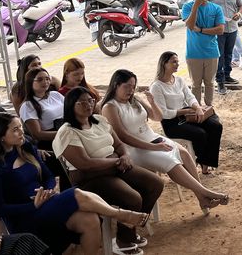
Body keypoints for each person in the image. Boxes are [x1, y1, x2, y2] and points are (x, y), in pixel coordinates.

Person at [0, 113, 149, 254]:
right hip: (25, 217)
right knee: (76, 193)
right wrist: (33, 205)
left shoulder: (25, 148)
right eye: (16, 130)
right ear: (0, 136)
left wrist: (49, 190)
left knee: (89, 220)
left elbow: (48, 176)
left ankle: (120, 217)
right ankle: (120, 214)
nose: (22, 133)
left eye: (21, 127)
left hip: (48, 203)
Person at [53, 87, 164, 255]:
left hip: (115, 167)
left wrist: (125, 156)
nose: (88, 105)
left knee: (155, 184)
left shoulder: (99, 120)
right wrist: (115, 160)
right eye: (82, 102)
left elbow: (119, 145)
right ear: (70, 105)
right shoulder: (67, 132)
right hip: (90, 178)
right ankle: (123, 240)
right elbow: (85, 164)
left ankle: (128, 229)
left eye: (90, 100)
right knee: (132, 198)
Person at [101, 70, 229, 213]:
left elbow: (158, 117)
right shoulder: (110, 107)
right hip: (133, 148)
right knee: (171, 162)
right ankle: (206, 193)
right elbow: (122, 136)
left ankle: (201, 198)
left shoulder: (135, 99)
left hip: (152, 138)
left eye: (133, 86)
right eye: (127, 86)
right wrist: (154, 147)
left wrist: (152, 103)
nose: (131, 90)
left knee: (184, 153)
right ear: (116, 85)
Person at [150, 51, 224, 175]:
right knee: (200, 133)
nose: (177, 64)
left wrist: (198, 108)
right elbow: (164, 114)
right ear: (164, 64)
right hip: (172, 123)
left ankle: (207, 162)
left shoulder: (178, 80)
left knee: (216, 126)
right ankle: (202, 163)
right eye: (174, 62)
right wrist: (186, 111)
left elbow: (190, 97)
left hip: (187, 116)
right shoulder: (157, 86)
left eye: (177, 62)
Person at [18, 68, 69, 188]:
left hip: (67, 130)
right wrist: (64, 133)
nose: (45, 82)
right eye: (40, 79)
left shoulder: (56, 95)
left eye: (47, 78)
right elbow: (37, 134)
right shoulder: (28, 105)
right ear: (31, 82)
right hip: (49, 140)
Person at [183, 0, 226, 104]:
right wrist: (195, 6)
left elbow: (220, 30)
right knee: (196, 84)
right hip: (193, 53)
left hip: (211, 52)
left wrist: (201, 30)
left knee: (210, 83)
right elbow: (190, 25)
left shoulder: (216, 8)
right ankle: (197, 109)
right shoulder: (187, 7)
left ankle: (209, 107)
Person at [210, 0, 242, 94]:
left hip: (232, 28)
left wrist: (239, 14)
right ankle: (220, 82)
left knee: (229, 54)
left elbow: (241, 5)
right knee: (219, 56)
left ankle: (227, 75)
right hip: (219, 30)